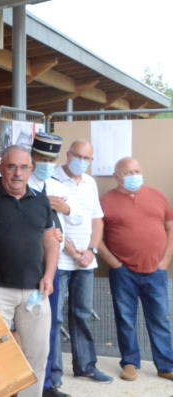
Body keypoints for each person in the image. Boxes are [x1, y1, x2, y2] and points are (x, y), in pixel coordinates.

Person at [0, 145, 60, 397]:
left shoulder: (40, 200)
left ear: (31, 170)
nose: (17, 173)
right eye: (11, 166)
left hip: (36, 290)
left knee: (37, 354)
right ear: (0, 168)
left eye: (23, 167)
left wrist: (49, 276)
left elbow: (50, 241)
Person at [98, 157, 173, 382]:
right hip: (123, 273)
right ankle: (130, 363)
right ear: (116, 176)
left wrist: (165, 261)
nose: (134, 176)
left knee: (160, 319)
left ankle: (166, 365)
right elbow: (96, 237)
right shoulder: (105, 201)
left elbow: (171, 228)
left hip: (156, 270)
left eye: (137, 170)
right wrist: (114, 263)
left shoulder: (157, 196)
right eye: (128, 172)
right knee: (125, 319)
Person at [51, 139, 112, 386]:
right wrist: (72, 251)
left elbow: (97, 220)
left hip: (86, 261)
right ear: (68, 155)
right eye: (78, 156)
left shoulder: (90, 183)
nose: (82, 162)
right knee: (54, 317)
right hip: (59, 260)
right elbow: (51, 223)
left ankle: (85, 366)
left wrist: (91, 250)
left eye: (87, 158)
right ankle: (53, 374)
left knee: (82, 314)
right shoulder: (52, 180)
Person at [28, 134, 82, 397]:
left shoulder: (57, 185)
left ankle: (47, 383)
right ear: (32, 158)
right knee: (23, 326)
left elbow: (79, 216)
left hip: (53, 266)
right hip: (26, 264)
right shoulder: (21, 184)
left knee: (49, 324)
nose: (46, 164)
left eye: (51, 159)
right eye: (41, 158)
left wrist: (65, 208)